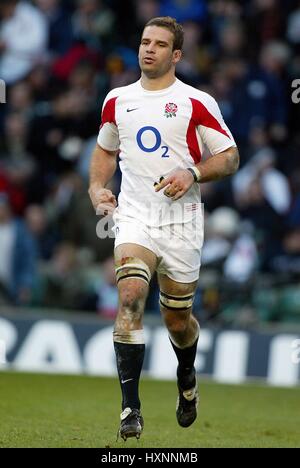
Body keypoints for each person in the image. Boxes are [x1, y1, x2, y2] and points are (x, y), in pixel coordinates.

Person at [88, 16, 239, 441]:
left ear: (176, 55)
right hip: (136, 216)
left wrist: (192, 172)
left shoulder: (196, 102)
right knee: (131, 296)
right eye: (144, 41)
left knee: (177, 321)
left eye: (159, 44)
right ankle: (130, 411)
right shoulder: (117, 99)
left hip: (182, 223)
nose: (147, 49)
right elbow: (104, 150)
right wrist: (98, 188)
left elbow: (229, 158)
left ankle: (186, 377)